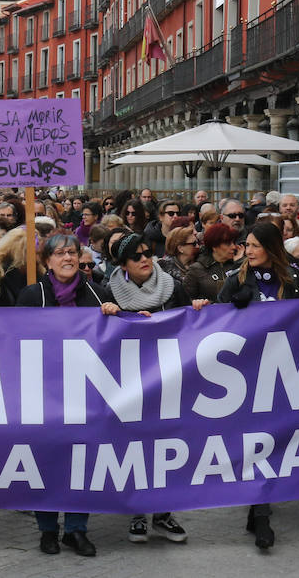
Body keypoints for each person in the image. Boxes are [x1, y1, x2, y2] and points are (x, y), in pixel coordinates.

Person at [217, 220, 299, 551]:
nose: (246, 251)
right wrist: (231, 305)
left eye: (253, 246)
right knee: (255, 442)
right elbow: (213, 323)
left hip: (281, 373)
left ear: (269, 248)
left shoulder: (291, 276)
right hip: (247, 375)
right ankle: (261, 514)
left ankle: (258, 507)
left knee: (272, 442)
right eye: (245, 246)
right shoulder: (236, 277)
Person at [18, 232, 118, 557]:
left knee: (82, 460)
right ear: (47, 261)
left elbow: (120, 340)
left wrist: (119, 316)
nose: (68, 258)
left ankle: (76, 529)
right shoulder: (32, 296)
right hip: (43, 392)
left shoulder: (98, 294)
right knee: (46, 459)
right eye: (60, 253)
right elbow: (12, 339)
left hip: (85, 393)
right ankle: (48, 530)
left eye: (72, 252)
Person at [103, 232, 196, 547]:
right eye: (136, 256)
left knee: (168, 447)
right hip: (130, 385)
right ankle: (138, 513)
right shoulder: (109, 293)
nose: (145, 259)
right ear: (123, 265)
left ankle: (164, 513)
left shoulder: (173, 288)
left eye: (148, 252)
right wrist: (113, 316)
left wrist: (199, 309)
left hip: (170, 380)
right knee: (136, 448)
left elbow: (193, 328)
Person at [184, 222, 240, 302]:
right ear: (214, 246)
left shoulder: (237, 265)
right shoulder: (197, 269)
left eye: (233, 242)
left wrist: (240, 264)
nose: (233, 247)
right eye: (228, 244)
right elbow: (186, 301)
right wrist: (201, 303)